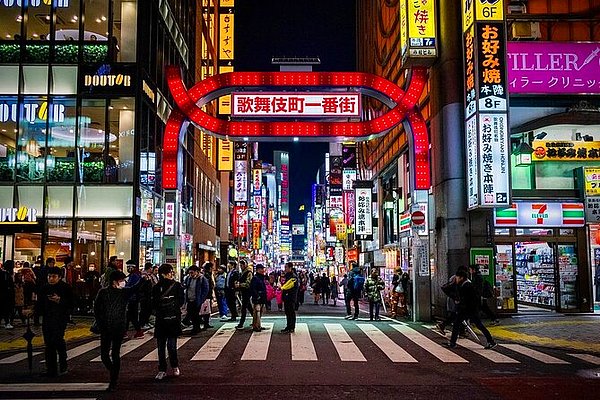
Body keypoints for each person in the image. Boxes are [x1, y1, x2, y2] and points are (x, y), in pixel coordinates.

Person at [94, 270, 139, 391]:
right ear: (114, 282)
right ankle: (114, 371)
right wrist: (100, 323)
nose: (124, 283)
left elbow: (135, 288)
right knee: (104, 355)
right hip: (106, 327)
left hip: (119, 327)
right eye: (122, 281)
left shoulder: (123, 292)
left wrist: (144, 279)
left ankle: (113, 380)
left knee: (115, 353)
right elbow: (97, 309)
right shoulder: (103, 292)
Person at [445, 269, 497, 349]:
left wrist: (460, 304)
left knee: (460, 324)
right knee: (461, 324)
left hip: (468, 310)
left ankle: (453, 343)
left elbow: (468, 299)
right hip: (469, 310)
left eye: (457, 277)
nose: (456, 279)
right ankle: (490, 341)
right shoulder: (465, 285)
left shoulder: (467, 286)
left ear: (461, 277)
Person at [37, 266, 74, 377]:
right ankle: (51, 368)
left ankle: (63, 363)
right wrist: (34, 311)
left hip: (60, 318)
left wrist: (60, 300)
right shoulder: (44, 288)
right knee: (48, 343)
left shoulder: (66, 288)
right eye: (49, 276)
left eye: (54, 276)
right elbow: (40, 303)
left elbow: (72, 303)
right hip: (47, 318)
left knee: (57, 340)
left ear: (59, 277)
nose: (51, 279)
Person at [152, 264, 184, 380]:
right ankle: (162, 369)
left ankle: (174, 366)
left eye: (172, 272)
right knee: (161, 347)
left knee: (171, 345)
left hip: (172, 318)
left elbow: (181, 300)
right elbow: (154, 302)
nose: (172, 274)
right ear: (163, 274)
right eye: (170, 272)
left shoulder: (177, 286)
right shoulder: (157, 287)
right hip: (162, 319)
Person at [182, 265, 209, 335]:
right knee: (191, 314)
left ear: (197, 272)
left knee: (196, 315)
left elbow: (206, 290)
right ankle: (195, 327)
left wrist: (201, 299)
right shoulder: (188, 278)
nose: (191, 274)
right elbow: (185, 286)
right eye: (189, 273)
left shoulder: (202, 279)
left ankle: (196, 328)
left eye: (192, 273)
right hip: (189, 299)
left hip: (197, 300)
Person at [124, 261, 144, 338]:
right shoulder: (134, 275)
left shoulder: (134, 276)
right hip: (133, 298)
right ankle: (127, 332)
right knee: (130, 316)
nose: (128, 269)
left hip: (133, 299)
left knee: (131, 316)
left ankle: (137, 331)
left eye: (129, 267)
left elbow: (131, 287)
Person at [235, 261, 254, 330]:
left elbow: (248, 284)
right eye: (240, 265)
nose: (241, 266)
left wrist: (239, 285)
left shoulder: (248, 272)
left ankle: (241, 324)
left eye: (242, 265)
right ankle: (256, 320)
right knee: (249, 308)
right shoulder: (243, 272)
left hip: (247, 292)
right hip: (243, 292)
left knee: (243, 308)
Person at [281, 262, 298, 333]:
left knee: (291, 312)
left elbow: (288, 286)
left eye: (286, 267)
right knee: (287, 312)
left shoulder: (293, 276)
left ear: (290, 268)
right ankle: (288, 326)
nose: (285, 269)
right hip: (287, 296)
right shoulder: (287, 275)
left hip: (291, 297)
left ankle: (291, 327)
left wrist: (281, 288)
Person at [250, 264, 268, 332]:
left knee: (259, 312)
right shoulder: (255, 278)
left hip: (261, 297)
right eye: (261, 269)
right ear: (258, 270)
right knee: (257, 312)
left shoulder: (261, 277)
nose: (263, 270)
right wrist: (257, 296)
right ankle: (257, 326)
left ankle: (256, 325)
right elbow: (253, 288)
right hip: (257, 298)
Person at [139, 263, 155, 329]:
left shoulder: (149, 275)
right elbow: (143, 286)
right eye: (151, 268)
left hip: (148, 295)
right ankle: (142, 323)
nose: (152, 269)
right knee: (144, 310)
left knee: (148, 310)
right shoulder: (144, 275)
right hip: (144, 296)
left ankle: (146, 322)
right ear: (149, 268)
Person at [0, 260, 16, 329]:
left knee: (3, 309)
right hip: (6, 294)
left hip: (5, 294)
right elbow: (8, 284)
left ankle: (6, 322)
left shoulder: (6, 273)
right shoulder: (6, 274)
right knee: (6, 309)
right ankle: (7, 322)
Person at [200, 262, 215, 330]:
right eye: (212, 268)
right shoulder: (207, 275)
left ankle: (205, 323)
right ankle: (205, 323)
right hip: (207, 295)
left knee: (205, 309)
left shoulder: (205, 274)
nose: (213, 269)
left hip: (207, 295)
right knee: (206, 309)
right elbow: (208, 286)